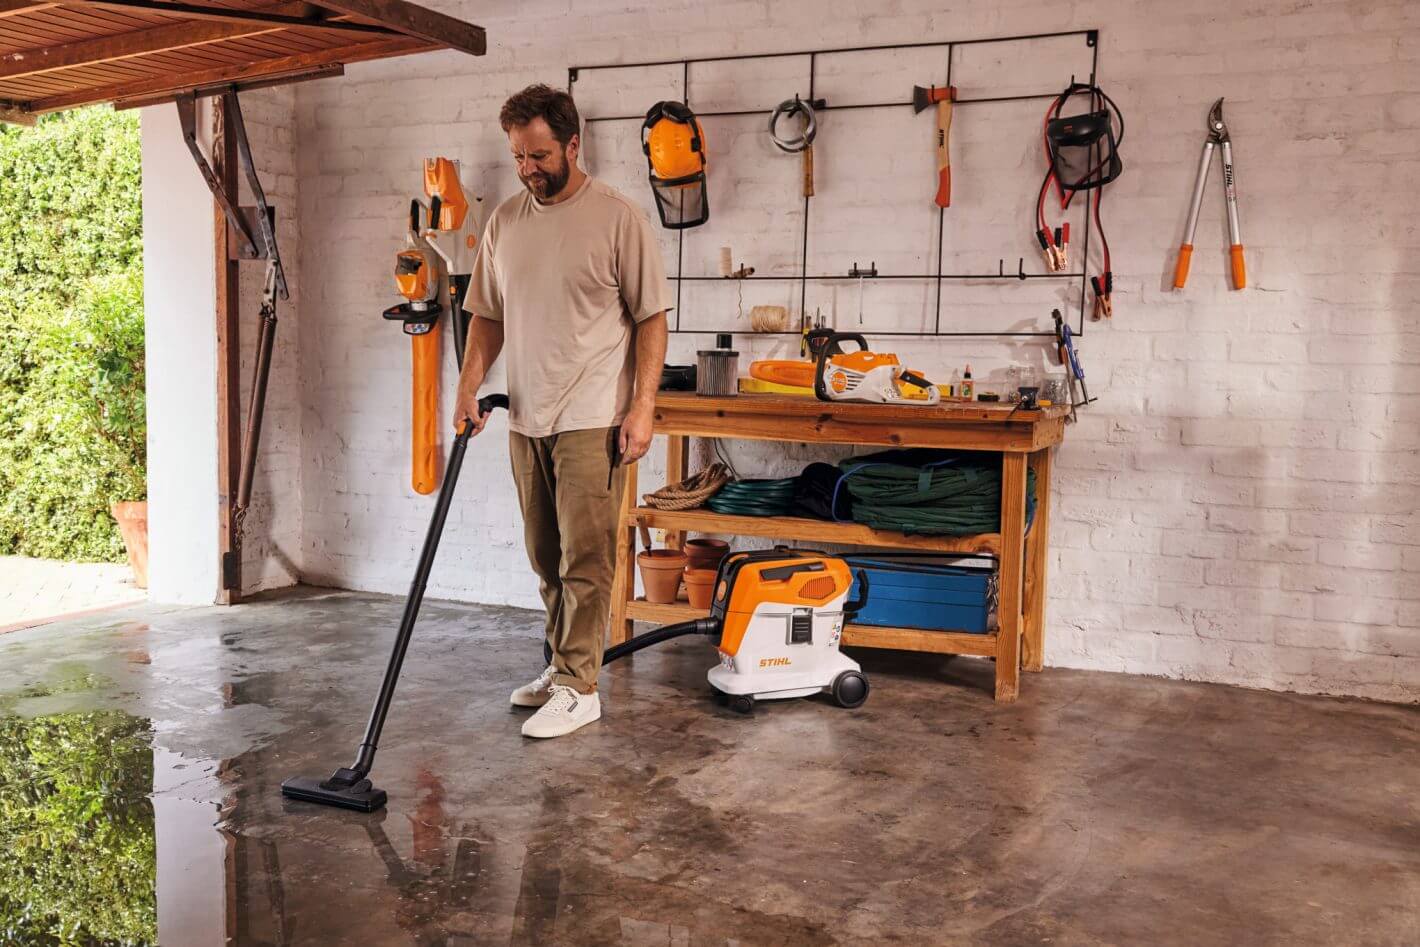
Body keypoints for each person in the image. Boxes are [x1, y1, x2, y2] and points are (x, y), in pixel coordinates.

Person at [451, 84, 671, 739]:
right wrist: (468, 386)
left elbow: (652, 318)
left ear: (573, 145)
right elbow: (485, 316)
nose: (528, 168)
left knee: (586, 555)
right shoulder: (506, 223)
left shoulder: (616, 217)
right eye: (519, 156)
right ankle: (562, 665)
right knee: (545, 555)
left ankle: (581, 686)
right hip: (526, 415)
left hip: (593, 414)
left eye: (540, 155)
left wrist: (643, 406)